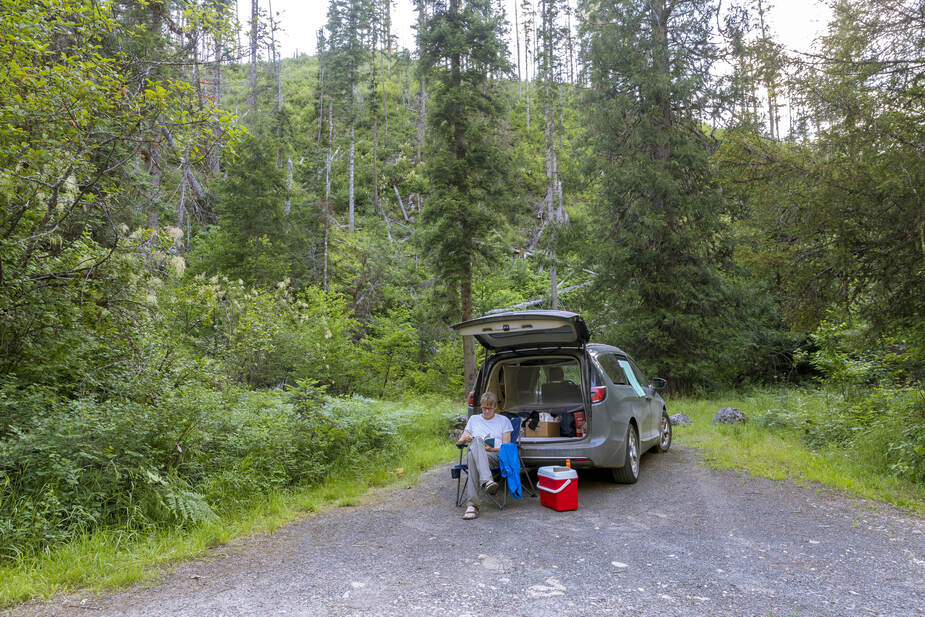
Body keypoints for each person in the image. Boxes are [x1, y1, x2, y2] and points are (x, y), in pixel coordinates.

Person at [457, 391, 512, 520]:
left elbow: (506, 447)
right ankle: (487, 480)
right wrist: (465, 438)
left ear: (495, 407)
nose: (486, 411)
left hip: (493, 456)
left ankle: (472, 506)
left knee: (472, 456)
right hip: (477, 453)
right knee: (476, 443)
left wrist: (492, 449)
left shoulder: (503, 421)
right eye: (484, 408)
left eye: (489, 408)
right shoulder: (474, 419)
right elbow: (460, 441)